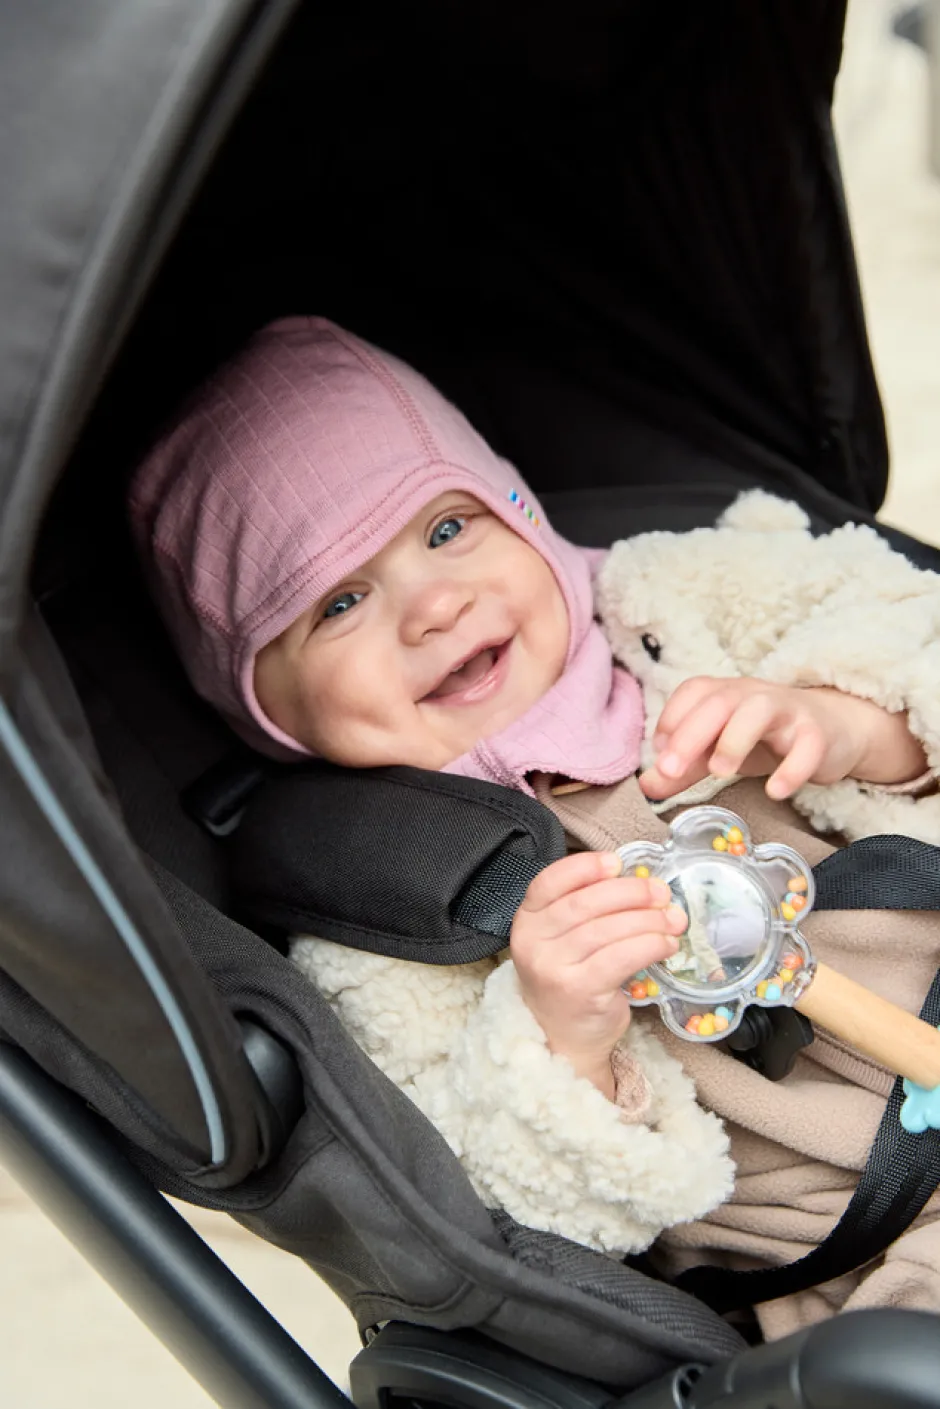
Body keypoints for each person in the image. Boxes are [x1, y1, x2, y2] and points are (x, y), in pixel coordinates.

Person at [129, 316, 940, 1337]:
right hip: (859, 1255)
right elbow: (494, 1196)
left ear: (518, 509)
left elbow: (912, 623)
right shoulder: (379, 912)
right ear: (266, 705)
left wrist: (856, 722)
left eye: (446, 529)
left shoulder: (692, 596)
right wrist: (563, 1038)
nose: (433, 605)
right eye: (338, 602)